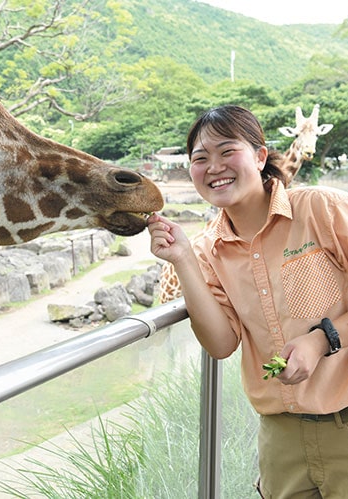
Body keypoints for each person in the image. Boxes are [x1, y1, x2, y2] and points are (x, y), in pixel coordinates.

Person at [148, 105, 348, 498]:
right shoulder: (207, 250)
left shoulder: (320, 209)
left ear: (259, 157)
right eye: (200, 158)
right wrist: (184, 257)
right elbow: (221, 344)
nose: (214, 166)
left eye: (227, 151)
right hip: (280, 438)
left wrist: (322, 339)